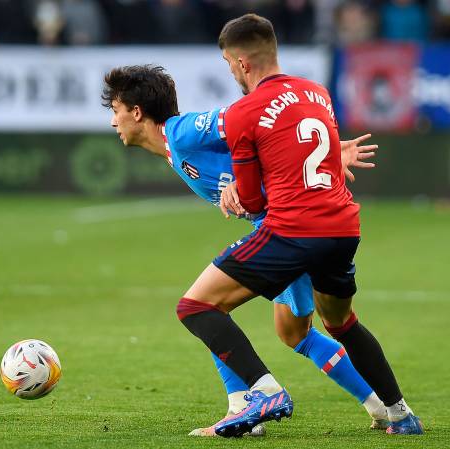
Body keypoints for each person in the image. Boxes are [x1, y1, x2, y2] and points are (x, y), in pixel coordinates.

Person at [102, 64, 390, 437]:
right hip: (289, 227)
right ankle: (381, 406)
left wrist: (256, 176)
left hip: (288, 229)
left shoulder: (183, 132)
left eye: (116, 110)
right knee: (293, 332)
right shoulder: (174, 148)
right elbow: (263, 144)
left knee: (206, 305)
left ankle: (253, 401)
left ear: (137, 112)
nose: (114, 121)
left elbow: (245, 118)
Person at [212, 13, 423, 436]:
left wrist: (232, 190)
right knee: (341, 324)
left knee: (198, 305)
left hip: (294, 231)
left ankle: (262, 393)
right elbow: (313, 160)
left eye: (229, 64)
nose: (232, 72)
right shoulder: (316, 93)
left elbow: (253, 202)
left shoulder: (242, 111)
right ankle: (401, 415)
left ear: (241, 63)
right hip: (342, 227)